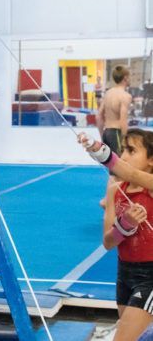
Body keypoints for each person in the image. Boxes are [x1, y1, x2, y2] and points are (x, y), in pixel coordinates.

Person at [81, 130, 153, 341]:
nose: (125, 155)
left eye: (132, 150)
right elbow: (107, 242)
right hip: (125, 273)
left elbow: (130, 173)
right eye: (123, 150)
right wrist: (125, 225)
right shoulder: (115, 191)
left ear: (151, 160)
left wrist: (97, 148)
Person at [100, 66, 135, 155]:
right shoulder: (125, 96)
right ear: (125, 78)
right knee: (120, 165)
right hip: (116, 133)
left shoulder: (108, 93)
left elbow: (99, 116)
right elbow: (123, 120)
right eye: (129, 76)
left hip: (106, 132)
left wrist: (102, 135)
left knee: (111, 164)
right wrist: (126, 140)